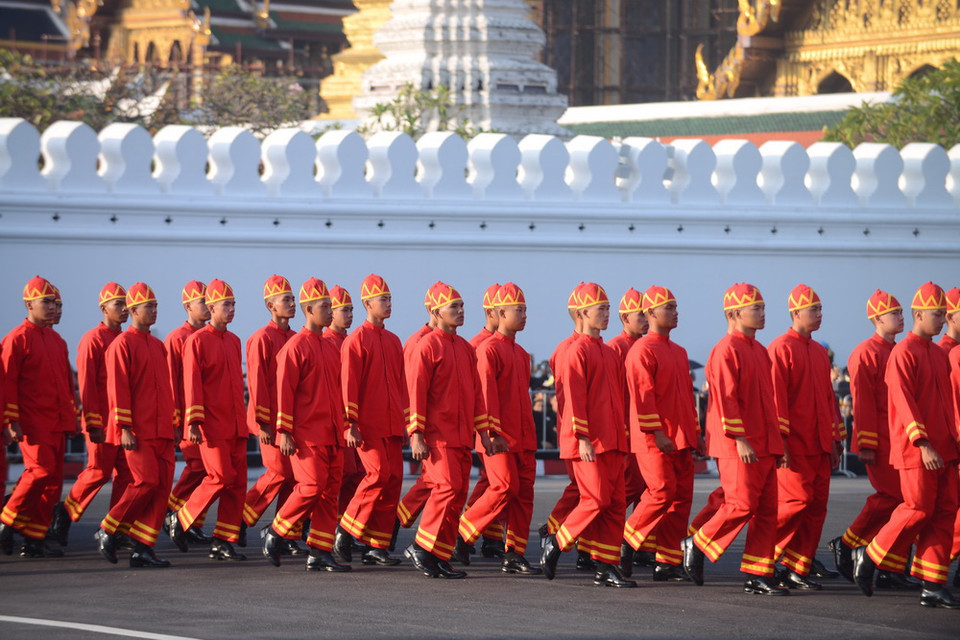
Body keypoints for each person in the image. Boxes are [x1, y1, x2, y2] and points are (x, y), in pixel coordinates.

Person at [853, 282, 960, 609]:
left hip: (944, 450)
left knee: (942, 514)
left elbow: (946, 407)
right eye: (936, 314)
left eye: (944, 314)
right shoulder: (904, 352)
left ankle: (932, 584)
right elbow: (902, 401)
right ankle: (869, 553)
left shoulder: (938, 356)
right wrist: (922, 441)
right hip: (918, 450)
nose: (941, 320)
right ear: (919, 314)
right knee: (917, 509)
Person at [681, 283, 788, 596]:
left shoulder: (761, 351)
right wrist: (739, 437)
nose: (763, 313)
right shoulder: (726, 349)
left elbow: (769, 403)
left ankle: (758, 573)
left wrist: (777, 445)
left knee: (768, 512)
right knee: (741, 505)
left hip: (764, 445)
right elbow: (726, 399)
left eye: (763, 307)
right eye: (757, 308)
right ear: (734, 313)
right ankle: (697, 543)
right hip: (737, 443)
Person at [541, 282, 634, 588]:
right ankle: (556, 544)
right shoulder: (575, 351)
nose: (607, 314)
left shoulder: (608, 353)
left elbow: (618, 399)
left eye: (608, 308)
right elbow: (573, 398)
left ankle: (605, 566)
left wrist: (623, 436)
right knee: (594, 499)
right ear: (581, 313)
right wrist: (582, 437)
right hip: (589, 441)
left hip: (613, 440)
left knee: (615, 503)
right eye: (601, 309)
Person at [403, 281, 495, 579]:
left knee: (458, 494)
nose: (460, 311)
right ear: (435, 311)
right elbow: (415, 392)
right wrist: (416, 433)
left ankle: (439, 554)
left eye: (461, 306)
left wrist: (483, 432)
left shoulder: (466, 349)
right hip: (436, 435)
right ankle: (421, 545)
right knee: (447, 488)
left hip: (461, 435)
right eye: (453, 307)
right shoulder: (427, 346)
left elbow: (476, 395)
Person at [830, 290, 916, 589]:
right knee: (892, 498)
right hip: (879, 438)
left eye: (902, 312)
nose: (902, 317)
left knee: (906, 503)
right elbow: (862, 402)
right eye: (895, 313)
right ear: (877, 318)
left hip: (902, 438)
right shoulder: (865, 353)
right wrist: (865, 443)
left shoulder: (900, 351)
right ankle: (848, 542)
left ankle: (891, 567)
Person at [262, 278, 349, 572]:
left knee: (329, 493)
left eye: (331, 306)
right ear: (308, 309)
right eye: (325, 306)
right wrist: (283, 431)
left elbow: (338, 392)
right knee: (311, 487)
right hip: (306, 435)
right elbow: (283, 393)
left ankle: (320, 551)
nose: (330, 311)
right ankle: (276, 531)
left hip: (332, 432)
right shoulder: (294, 348)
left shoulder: (329, 347)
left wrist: (344, 425)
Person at [457, 282, 541, 576]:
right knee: (504, 486)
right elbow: (485, 395)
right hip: (498, 436)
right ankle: (463, 532)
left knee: (523, 496)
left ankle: (514, 553)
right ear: (499, 313)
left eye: (525, 310)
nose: (524, 315)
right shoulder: (488, 350)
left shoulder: (520, 353)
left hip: (523, 436)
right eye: (519, 310)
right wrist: (490, 433)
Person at [767, 284, 844, 590]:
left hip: (820, 443)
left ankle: (797, 566)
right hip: (794, 444)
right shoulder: (781, 347)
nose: (819, 314)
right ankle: (765, 557)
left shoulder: (818, 352)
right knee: (794, 503)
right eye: (814, 309)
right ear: (796, 313)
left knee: (815, 507)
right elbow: (776, 400)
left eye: (821, 309)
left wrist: (835, 439)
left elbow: (829, 400)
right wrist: (780, 441)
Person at [94, 282, 176, 568]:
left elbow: (165, 389)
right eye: (148, 307)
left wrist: (173, 422)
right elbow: (118, 390)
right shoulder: (121, 345)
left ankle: (143, 547)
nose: (154, 311)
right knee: (146, 482)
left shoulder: (156, 345)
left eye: (155, 306)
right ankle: (109, 527)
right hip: (138, 431)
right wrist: (124, 427)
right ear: (132, 310)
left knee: (162, 487)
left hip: (162, 429)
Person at [166, 279, 248, 561]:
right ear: (211, 307)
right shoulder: (196, 342)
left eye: (234, 304)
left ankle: (223, 541)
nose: (232, 309)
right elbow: (192, 385)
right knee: (220, 476)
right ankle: (181, 517)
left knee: (237, 485)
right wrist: (193, 422)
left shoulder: (235, 341)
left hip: (235, 424)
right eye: (226, 304)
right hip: (211, 425)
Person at [622, 286, 699, 582]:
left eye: (676, 307)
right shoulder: (642, 350)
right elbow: (643, 397)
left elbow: (686, 399)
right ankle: (627, 542)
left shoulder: (678, 352)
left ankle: (667, 562)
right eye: (670, 307)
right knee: (661, 492)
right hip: (653, 439)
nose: (676, 312)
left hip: (679, 438)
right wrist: (656, 431)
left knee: (680, 499)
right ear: (652, 313)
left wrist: (695, 433)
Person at [333, 275, 407, 567]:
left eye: (389, 299)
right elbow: (348, 385)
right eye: (383, 300)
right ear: (367, 303)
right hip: (368, 426)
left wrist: (406, 423)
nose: (388, 305)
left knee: (393, 480)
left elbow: (401, 385)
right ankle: (345, 530)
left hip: (391, 425)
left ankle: (376, 546)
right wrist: (350, 423)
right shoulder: (356, 341)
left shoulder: (392, 340)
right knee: (376, 476)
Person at [52, 283, 133, 546]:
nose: (124, 309)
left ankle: (115, 529)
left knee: (126, 474)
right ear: (103, 308)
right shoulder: (93, 339)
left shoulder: (125, 339)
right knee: (98, 471)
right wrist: (93, 422)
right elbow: (86, 385)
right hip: (101, 420)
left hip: (123, 421)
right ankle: (63, 515)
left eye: (126, 304)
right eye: (118, 304)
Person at [0, 276, 75, 558]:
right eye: (46, 302)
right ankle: (7, 520)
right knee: (39, 472)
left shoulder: (57, 341)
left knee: (53, 483)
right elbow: (7, 383)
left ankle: (34, 538)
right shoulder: (16, 339)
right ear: (29, 304)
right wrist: (11, 421)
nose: (53, 307)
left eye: (56, 303)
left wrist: (70, 420)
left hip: (56, 422)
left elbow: (67, 385)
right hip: (32, 422)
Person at [242, 275, 299, 552]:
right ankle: (239, 519)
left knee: (293, 477)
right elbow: (256, 383)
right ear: (270, 305)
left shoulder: (296, 338)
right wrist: (263, 423)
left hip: (292, 421)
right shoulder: (261, 339)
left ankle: (282, 530)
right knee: (277, 472)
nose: (292, 304)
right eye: (285, 300)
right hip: (270, 423)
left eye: (293, 299)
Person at [606, 287, 656, 567]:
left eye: (648, 313)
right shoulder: (616, 347)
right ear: (625, 318)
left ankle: (643, 544)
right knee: (623, 490)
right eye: (640, 314)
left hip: (643, 431)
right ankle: (594, 541)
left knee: (644, 489)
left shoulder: (648, 347)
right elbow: (613, 395)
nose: (646, 319)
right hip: (626, 431)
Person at [165, 280, 213, 544]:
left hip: (209, 417)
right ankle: (173, 510)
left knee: (207, 471)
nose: (208, 306)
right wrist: (176, 421)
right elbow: (171, 383)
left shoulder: (209, 336)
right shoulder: (176, 338)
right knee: (198, 466)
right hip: (186, 418)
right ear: (187, 306)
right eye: (202, 302)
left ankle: (190, 520)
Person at [464, 283, 506, 559]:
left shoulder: (509, 347)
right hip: (484, 426)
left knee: (490, 482)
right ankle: (464, 532)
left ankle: (489, 535)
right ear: (492, 312)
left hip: (503, 427)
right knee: (499, 484)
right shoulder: (477, 346)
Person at [395, 290, 438, 539]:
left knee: (433, 482)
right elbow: (412, 389)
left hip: (445, 426)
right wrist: (415, 430)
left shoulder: (448, 341)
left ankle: (398, 519)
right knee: (437, 482)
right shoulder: (419, 343)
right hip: (428, 426)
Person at [323, 285, 364, 519]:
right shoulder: (326, 342)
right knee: (342, 474)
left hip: (352, 420)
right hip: (336, 421)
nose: (349, 315)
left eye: (351, 310)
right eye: (344, 310)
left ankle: (343, 523)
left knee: (355, 474)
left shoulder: (351, 341)